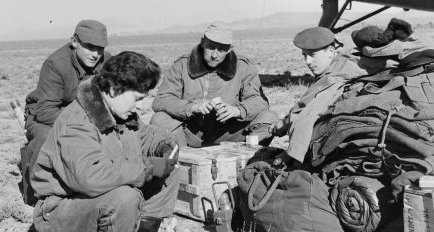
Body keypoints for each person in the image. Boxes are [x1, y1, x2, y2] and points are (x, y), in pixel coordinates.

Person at [31, 52, 180, 232]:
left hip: (92, 203)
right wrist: (145, 167)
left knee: (169, 169)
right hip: (60, 212)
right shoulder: (77, 121)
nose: (142, 106)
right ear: (113, 88)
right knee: (125, 195)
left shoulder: (118, 111)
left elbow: (142, 135)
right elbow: (91, 177)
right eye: (138, 98)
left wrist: (165, 146)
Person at [20, 20, 110, 205]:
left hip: (88, 111)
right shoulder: (56, 64)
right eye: (90, 47)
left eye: (100, 48)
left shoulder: (107, 61)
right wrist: (83, 125)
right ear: (74, 41)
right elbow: (45, 112)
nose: (95, 54)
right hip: (44, 115)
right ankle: (37, 193)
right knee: (47, 138)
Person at [151, 23, 277, 147]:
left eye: (221, 50)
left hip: (229, 134)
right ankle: (181, 160)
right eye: (210, 47)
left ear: (229, 49)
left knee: (269, 118)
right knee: (159, 120)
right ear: (202, 42)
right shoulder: (182, 65)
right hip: (189, 133)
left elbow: (259, 101)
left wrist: (237, 110)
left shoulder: (244, 67)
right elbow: (161, 100)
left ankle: (248, 158)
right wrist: (192, 107)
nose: (214, 55)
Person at [271, 26, 367, 164]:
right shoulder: (336, 66)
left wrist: (291, 156)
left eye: (312, 55)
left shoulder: (338, 75)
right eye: (304, 55)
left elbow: (310, 113)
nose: (308, 62)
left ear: (331, 51)